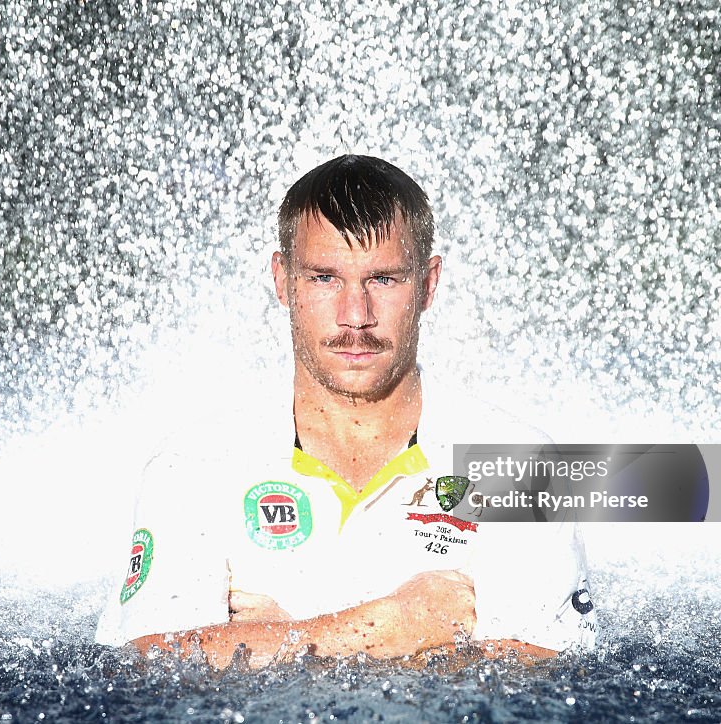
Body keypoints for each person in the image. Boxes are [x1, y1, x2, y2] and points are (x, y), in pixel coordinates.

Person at [95, 154, 597, 668]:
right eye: (324, 278)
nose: (355, 316)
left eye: (383, 279)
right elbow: (148, 666)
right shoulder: (194, 465)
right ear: (282, 280)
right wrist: (397, 625)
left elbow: (547, 673)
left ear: (427, 284)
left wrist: (277, 642)